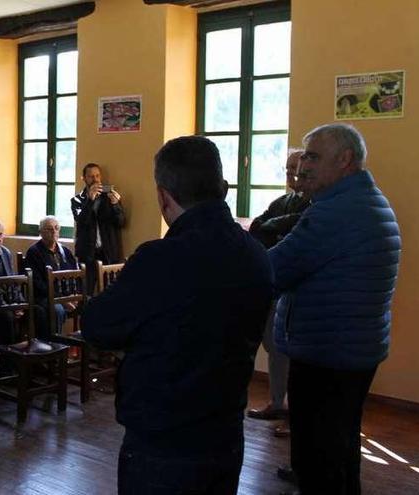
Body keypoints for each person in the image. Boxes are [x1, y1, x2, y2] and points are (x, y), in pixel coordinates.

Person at [81, 136, 273, 495]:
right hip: (225, 432)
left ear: (163, 197)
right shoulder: (256, 254)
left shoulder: (159, 259)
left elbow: (96, 324)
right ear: (224, 189)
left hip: (164, 440)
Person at [269, 124, 400, 495]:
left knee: (318, 461)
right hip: (352, 347)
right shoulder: (363, 200)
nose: (303, 166)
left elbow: (277, 269)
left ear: (344, 160)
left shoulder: (336, 212)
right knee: (340, 452)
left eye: (312, 156)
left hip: (326, 353)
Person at [246, 149, 310, 436]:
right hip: (274, 285)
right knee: (275, 347)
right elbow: (259, 229)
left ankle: (296, 414)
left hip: (298, 290)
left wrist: (274, 231)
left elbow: (290, 238)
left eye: (295, 169)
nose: (291, 175)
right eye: (286, 169)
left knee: (296, 352)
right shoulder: (283, 201)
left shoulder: (316, 204)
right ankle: (277, 401)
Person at [71, 163, 125, 294]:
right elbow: (82, 221)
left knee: (110, 293)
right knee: (86, 293)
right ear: (83, 178)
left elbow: (121, 222)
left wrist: (115, 205)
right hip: (88, 254)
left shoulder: (109, 197)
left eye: (97, 176)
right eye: (91, 176)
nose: (95, 180)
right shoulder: (77, 200)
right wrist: (90, 200)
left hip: (108, 253)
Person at [24, 216, 77, 339]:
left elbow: (76, 274)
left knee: (90, 303)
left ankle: (83, 347)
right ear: (41, 232)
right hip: (44, 296)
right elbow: (37, 283)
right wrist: (61, 300)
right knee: (57, 310)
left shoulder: (65, 251)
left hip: (66, 295)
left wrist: (75, 294)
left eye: (56, 228)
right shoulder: (34, 252)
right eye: (49, 229)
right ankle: (56, 347)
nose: (54, 231)